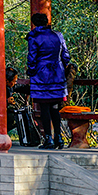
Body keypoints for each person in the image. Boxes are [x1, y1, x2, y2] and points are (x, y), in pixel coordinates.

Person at [26, 12, 71, 149]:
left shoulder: (34, 37)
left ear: (34, 23)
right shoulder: (58, 35)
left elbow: (32, 57)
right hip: (57, 73)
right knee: (55, 107)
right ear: (46, 22)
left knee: (44, 107)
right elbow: (66, 55)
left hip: (41, 74)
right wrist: (61, 67)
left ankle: (48, 138)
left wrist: (31, 70)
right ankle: (59, 138)